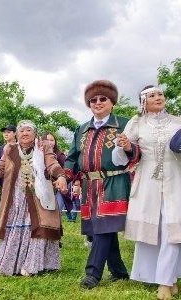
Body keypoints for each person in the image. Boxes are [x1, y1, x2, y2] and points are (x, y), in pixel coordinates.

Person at [64, 80, 136, 289]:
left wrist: (130, 147)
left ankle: (92, 274)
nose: (98, 102)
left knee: (103, 227)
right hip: (89, 186)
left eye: (103, 98)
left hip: (114, 181)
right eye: (93, 100)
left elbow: (139, 152)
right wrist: (64, 176)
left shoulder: (125, 123)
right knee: (101, 228)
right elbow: (71, 158)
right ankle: (119, 271)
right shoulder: (82, 130)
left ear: (112, 102)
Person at [113, 85, 181, 299]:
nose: (158, 97)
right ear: (143, 102)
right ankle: (165, 275)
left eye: (160, 94)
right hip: (147, 182)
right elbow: (121, 158)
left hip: (176, 178)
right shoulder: (137, 123)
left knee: (174, 229)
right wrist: (122, 146)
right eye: (152, 95)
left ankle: (165, 281)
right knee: (155, 230)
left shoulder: (178, 121)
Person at [0, 120, 67, 276]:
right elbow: (0, 171)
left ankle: (32, 265)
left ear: (35, 133)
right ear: (17, 134)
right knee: (16, 226)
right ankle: (11, 264)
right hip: (15, 198)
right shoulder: (9, 149)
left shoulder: (43, 147)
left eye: (28, 130)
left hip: (38, 196)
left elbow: (52, 164)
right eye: (21, 130)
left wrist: (61, 176)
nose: (24, 133)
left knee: (36, 226)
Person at [40, 132, 73, 222]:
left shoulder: (60, 156)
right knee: (43, 214)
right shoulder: (38, 155)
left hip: (58, 190)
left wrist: (61, 179)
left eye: (52, 140)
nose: (50, 142)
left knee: (55, 212)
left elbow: (68, 172)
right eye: (47, 140)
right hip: (43, 189)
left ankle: (55, 233)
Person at [0, 125, 17, 192]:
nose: (6, 134)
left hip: (18, 182)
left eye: (8, 132)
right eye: (4, 132)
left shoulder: (20, 146)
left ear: (15, 133)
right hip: (4, 182)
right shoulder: (0, 149)